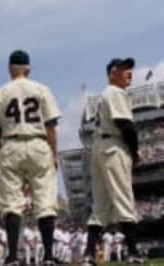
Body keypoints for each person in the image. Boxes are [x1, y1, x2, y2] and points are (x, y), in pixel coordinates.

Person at [0, 50, 61, 266]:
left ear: (10, 69)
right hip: (38, 142)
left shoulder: (0, 92)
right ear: (28, 68)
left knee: (11, 204)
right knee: (45, 200)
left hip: (10, 144)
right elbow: (51, 126)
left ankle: (12, 257)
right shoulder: (41, 88)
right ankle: (48, 255)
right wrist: (54, 154)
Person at [82, 58, 143, 265]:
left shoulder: (105, 94)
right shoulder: (115, 92)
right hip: (113, 147)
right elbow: (125, 124)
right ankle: (133, 252)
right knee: (124, 198)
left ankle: (89, 253)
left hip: (100, 148)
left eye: (130, 69)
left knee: (100, 205)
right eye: (124, 69)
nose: (129, 73)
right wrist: (135, 152)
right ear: (112, 73)